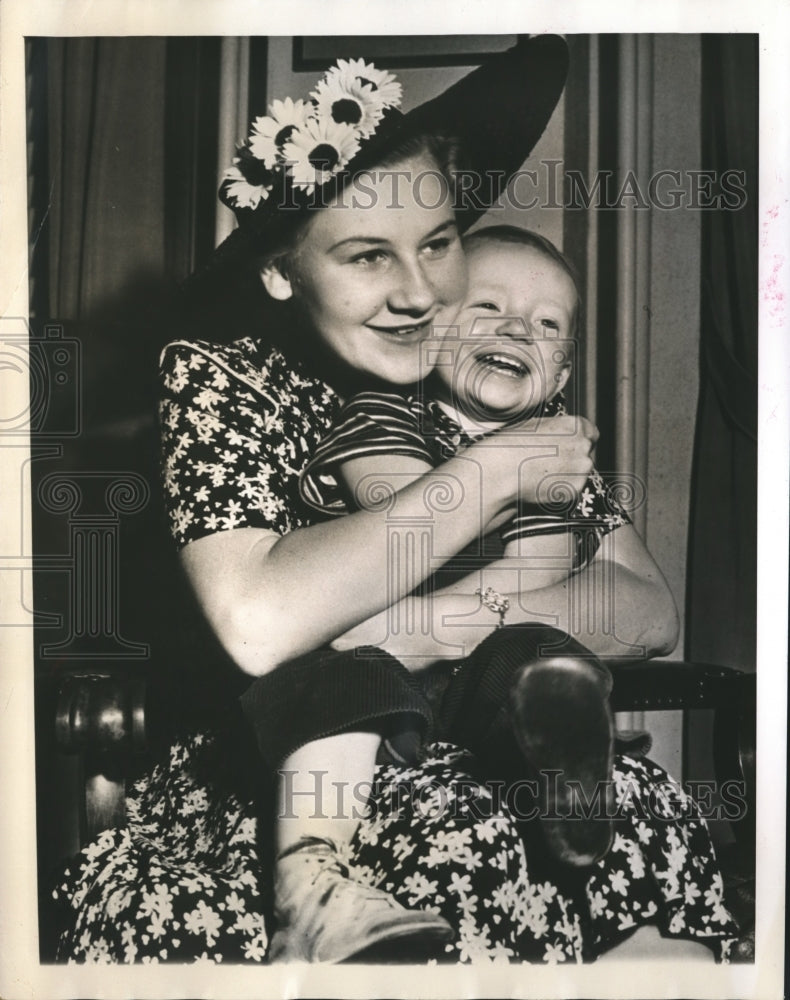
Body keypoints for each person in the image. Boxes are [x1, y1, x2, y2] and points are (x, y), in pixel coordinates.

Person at [53, 39, 740, 964]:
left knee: (639, 841)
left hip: (503, 746)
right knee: (462, 846)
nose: (420, 295)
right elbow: (263, 621)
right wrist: (494, 477)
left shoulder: (479, 388)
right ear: (282, 271)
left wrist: (440, 625)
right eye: (368, 256)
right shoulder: (223, 376)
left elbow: (646, 605)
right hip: (299, 772)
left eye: (439, 244)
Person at [298, 224, 633, 870]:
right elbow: (401, 529)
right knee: (349, 670)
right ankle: (321, 853)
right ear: (429, 325)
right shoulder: (384, 409)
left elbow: (546, 564)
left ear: (561, 372)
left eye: (547, 325)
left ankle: (566, 771)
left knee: (538, 649)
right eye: (488, 307)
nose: (516, 330)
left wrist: (426, 625)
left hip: (465, 675)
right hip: (361, 666)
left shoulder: (553, 457)